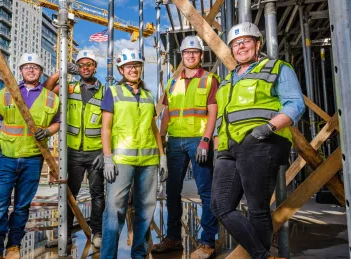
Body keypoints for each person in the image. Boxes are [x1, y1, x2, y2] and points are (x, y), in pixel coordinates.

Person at [211, 22, 305, 259]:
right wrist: (215, 142)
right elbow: (222, 116)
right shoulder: (227, 80)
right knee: (220, 206)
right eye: (235, 43)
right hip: (227, 147)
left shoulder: (276, 68)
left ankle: (261, 257)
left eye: (246, 41)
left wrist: (266, 129)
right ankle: (264, 256)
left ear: (258, 44)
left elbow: (295, 104)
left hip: (261, 142)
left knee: (257, 209)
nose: (240, 46)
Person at [0, 53, 60, 259]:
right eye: (27, 66)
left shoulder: (52, 98)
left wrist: (49, 131)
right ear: (20, 71)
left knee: (22, 206)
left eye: (35, 67)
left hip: (33, 158)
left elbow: (58, 122)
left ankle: (13, 246)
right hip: (6, 157)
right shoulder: (7, 92)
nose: (31, 69)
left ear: (41, 72)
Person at [152, 35, 220, 259]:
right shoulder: (173, 82)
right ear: (182, 56)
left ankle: (207, 242)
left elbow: (213, 112)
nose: (190, 55)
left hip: (198, 140)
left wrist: (206, 139)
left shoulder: (210, 79)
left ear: (200, 55)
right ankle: (172, 238)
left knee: (205, 192)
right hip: (175, 141)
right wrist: (161, 139)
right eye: (186, 52)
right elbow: (166, 112)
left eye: (195, 52)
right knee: (172, 191)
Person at [100, 48, 168, 259]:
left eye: (136, 66)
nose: (133, 69)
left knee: (146, 210)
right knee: (114, 211)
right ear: (121, 69)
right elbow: (106, 128)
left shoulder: (149, 96)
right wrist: (108, 158)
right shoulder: (112, 92)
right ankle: (108, 256)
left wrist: (162, 155)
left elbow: (154, 129)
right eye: (129, 66)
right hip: (122, 161)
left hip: (148, 161)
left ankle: (139, 254)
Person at [43, 49, 105, 248]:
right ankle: (65, 236)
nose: (85, 68)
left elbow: (110, 125)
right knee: (69, 194)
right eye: (81, 65)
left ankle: (98, 233)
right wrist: (60, 72)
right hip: (73, 152)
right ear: (77, 68)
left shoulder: (106, 92)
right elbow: (45, 92)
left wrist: (106, 153)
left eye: (89, 65)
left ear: (95, 67)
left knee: (97, 194)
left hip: (97, 152)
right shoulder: (69, 88)